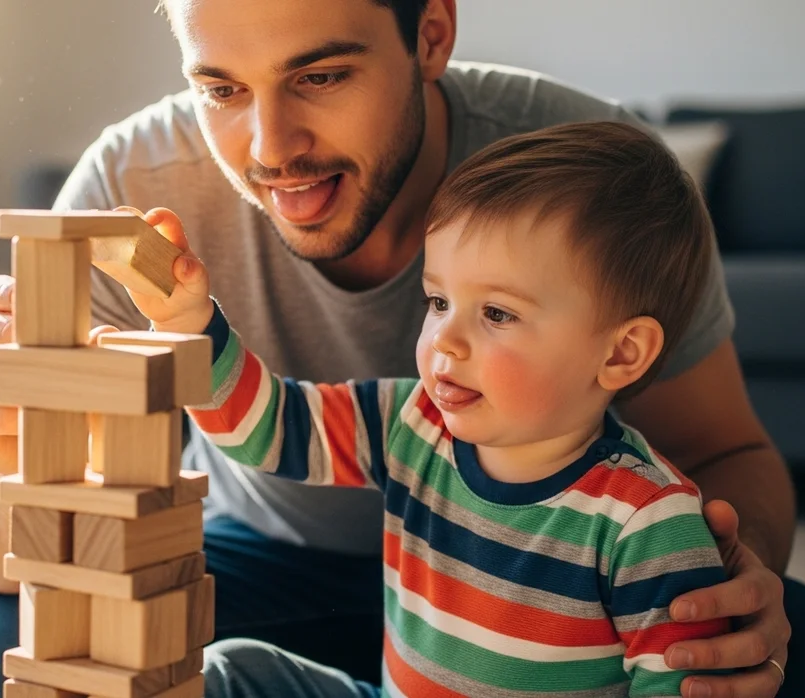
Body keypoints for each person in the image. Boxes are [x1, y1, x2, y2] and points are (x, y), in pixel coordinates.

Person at [0, 1, 805, 697]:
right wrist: (14, 452)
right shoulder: (133, 191)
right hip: (259, 562)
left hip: (559, 589)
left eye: (321, 76)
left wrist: (717, 586)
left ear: (431, 33)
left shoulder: (602, 186)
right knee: (6, 655)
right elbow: (268, 420)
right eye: (220, 89)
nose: (272, 147)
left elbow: (728, 452)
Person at [109, 120, 736, 697]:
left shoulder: (646, 523)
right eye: (438, 302)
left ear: (622, 353)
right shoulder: (410, 422)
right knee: (233, 671)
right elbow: (267, 429)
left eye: (497, 313)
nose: (446, 341)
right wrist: (187, 321)